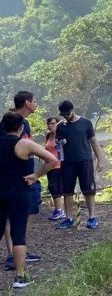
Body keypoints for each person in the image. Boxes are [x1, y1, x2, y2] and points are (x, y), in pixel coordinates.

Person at [0, 111, 58, 288]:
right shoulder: (24, 143)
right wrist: (36, 175)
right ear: (21, 127)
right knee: (18, 232)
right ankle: (19, 277)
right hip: (19, 192)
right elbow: (52, 159)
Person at [4, 91, 42, 271]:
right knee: (10, 219)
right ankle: (13, 254)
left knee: (31, 210)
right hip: (15, 181)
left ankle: (18, 251)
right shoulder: (9, 125)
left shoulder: (25, 124)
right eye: (35, 101)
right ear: (27, 103)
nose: (36, 104)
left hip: (25, 177)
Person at [55, 100, 106, 230]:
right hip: (67, 162)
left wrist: (100, 160)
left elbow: (94, 142)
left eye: (67, 113)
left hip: (85, 160)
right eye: (63, 115)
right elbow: (58, 145)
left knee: (89, 190)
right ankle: (69, 218)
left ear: (72, 110)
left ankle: (92, 217)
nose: (65, 116)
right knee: (67, 191)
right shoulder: (60, 126)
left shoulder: (85, 123)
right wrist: (61, 144)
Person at [43, 117, 65, 221]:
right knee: (51, 187)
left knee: (55, 187)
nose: (50, 125)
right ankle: (58, 209)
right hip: (49, 165)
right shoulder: (48, 136)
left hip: (58, 165)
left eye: (52, 123)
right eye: (49, 124)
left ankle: (59, 210)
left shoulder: (61, 136)